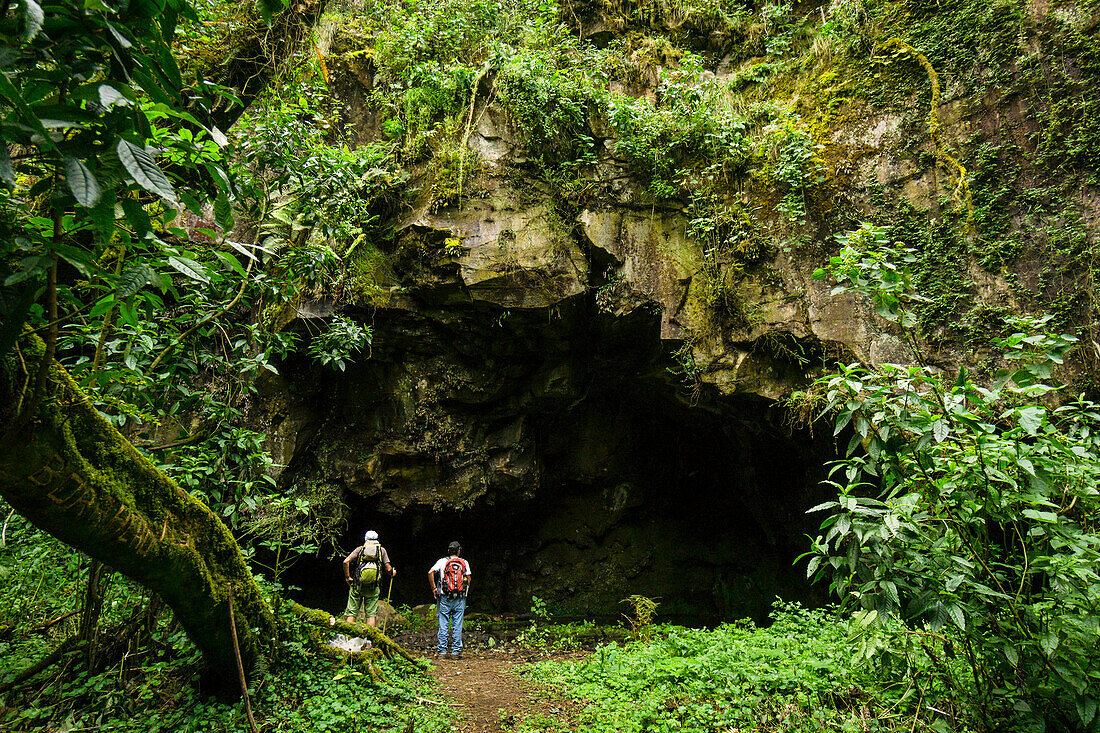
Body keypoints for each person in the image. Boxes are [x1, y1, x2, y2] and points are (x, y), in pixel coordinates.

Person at [343, 530, 395, 628]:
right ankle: (368, 642)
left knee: (352, 613)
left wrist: (347, 577)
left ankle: (348, 640)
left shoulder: (360, 549)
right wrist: (393, 572)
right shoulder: (381, 550)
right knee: (371, 615)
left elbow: (346, 562)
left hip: (357, 586)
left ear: (365, 539)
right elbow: (388, 569)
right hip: (373, 587)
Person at [428, 541, 471, 659]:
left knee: (443, 624)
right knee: (457, 624)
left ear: (448, 550)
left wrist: (434, 589)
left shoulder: (442, 561)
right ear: (459, 551)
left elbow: (430, 572)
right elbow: (468, 578)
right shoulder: (464, 562)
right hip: (460, 598)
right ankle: (456, 652)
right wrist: (463, 591)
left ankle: (442, 651)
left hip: (444, 597)